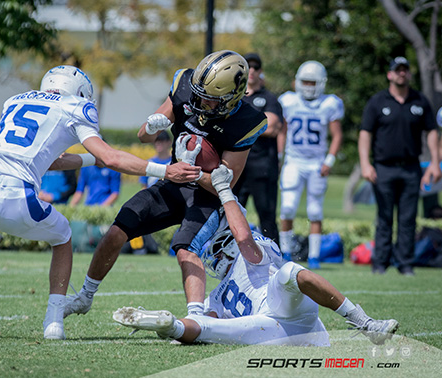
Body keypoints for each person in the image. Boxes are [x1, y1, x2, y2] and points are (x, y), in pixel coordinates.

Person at [0, 65, 200, 340]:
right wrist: (164, 169)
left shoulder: (17, 100)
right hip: (17, 196)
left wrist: (94, 161)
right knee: (62, 236)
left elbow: (51, 160)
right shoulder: (76, 107)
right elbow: (111, 156)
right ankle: (53, 323)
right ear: (78, 91)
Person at [64, 50, 267, 319]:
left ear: (232, 98)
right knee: (118, 229)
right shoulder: (184, 85)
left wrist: (193, 171)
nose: (200, 100)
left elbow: (223, 185)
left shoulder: (247, 122)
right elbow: (145, 136)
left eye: (209, 99)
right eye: (199, 92)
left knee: (185, 248)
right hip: (171, 184)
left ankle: (196, 317)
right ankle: (85, 297)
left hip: (207, 197)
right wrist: (151, 127)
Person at [113, 165, 399, 346]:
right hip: (267, 329)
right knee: (206, 326)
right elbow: (208, 322)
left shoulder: (247, 254)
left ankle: (363, 322)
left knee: (289, 273)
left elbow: (244, 238)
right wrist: (224, 190)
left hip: (289, 313)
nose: (216, 258)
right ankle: (167, 324)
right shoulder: (218, 292)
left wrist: (225, 193)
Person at [359, 56, 442, 276]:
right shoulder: (377, 101)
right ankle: (380, 263)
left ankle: (405, 264)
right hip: (383, 168)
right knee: (384, 217)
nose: (401, 73)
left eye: (405, 70)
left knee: (408, 218)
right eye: (398, 70)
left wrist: (434, 163)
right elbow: (365, 134)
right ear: (390, 74)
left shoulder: (420, 101)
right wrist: (365, 164)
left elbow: (432, 131)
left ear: (409, 74)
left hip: (411, 168)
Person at [277, 61, 344, 269]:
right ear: (297, 81)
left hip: (316, 163)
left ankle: (314, 257)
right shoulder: (288, 101)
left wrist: (329, 160)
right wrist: (279, 156)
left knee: (315, 211)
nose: (308, 86)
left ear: (321, 83)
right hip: (294, 161)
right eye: (305, 81)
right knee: (287, 208)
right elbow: (282, 131)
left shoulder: (329, 104)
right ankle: (286, 252)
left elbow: (337, 135)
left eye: (312, 82)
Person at [232, 52, 283, 244]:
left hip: (262, 166)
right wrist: (256, 123)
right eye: (247, 67)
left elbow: (272, 127)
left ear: (260, 71)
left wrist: (237, 125)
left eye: (255, 67)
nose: (251, 71)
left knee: (267, 215)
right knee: (231, 215)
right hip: (236, 166)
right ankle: (229, 260)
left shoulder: (269, 97)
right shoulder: (234, 96)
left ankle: (274, 261)